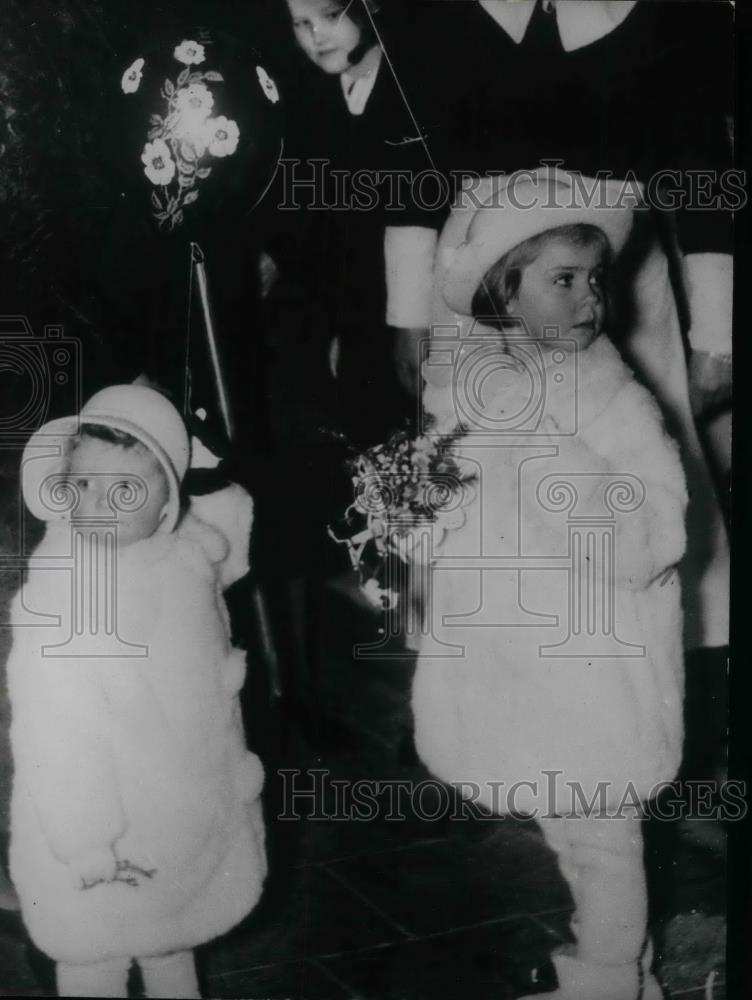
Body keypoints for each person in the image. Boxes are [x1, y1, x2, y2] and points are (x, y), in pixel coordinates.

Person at [412, 171, 687, 999]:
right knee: (570, 838)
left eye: (594, 281)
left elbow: (661, 526)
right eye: (562, 280)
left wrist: (557, 463)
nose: (588, 299)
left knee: (606, 839)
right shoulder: (477, 390)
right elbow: (453, 517)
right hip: (523, 671)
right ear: (504, 291)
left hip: (600, 667)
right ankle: (623, 970)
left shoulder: (614, 399)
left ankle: (606, 979)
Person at [385, 0, 731, 654]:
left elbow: (704, 169)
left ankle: (665, 670)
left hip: (617, 288)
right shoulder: (433, 15)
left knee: (634, 482)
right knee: (474, 483)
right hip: (480, 287)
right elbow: (410, 164)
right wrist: (406, 313)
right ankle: (475, 669)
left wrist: (717, 333)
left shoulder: (672, 16)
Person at [8, 385, 266, 998]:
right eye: (84, 484)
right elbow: (55, 724)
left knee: (173, 945)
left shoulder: (183, 560)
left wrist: (205, 468)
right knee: (96, 958)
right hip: (101, 832)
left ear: (165, 508)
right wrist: (85, 835)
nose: (98, 504)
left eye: (126, 489)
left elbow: (226, 534)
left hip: (180, 820)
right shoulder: (67, 591)